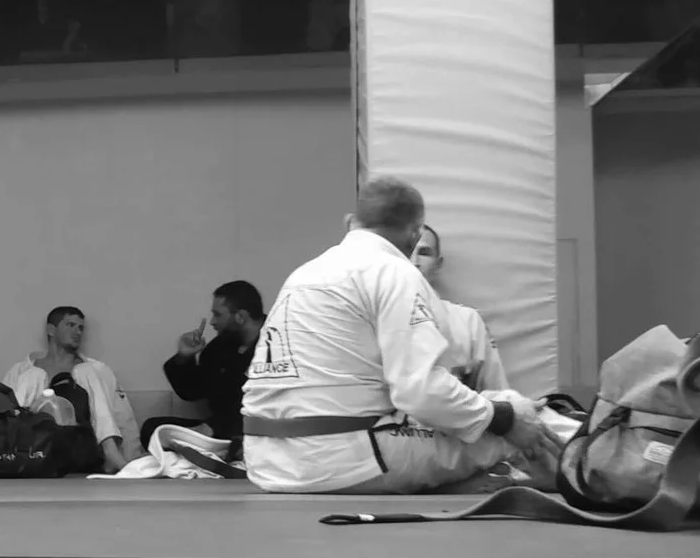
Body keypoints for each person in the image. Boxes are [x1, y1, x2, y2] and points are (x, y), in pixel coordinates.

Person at [242, 176, 564, 495]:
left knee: (474, 417)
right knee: (509, 412)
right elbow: (420, 393)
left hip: (266, 461)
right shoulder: (394, 272)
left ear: (351, 223)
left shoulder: (304, 273)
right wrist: (506, 418)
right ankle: (583, 470)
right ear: (415, 231)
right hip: (340, 463)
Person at [140, 280, 264, 452]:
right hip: (214, 433)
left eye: (218, 315)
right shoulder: (222, 345)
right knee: (153, 429)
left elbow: (266, 405)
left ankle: (219, 452)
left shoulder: (277, 345)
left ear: (240, 317)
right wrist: (184, 357)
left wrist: (215, 427)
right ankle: (211, 452)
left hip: (256, 431)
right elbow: (192, 391)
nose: (213, 322)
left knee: (246, 441)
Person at [4, 306, 128, 473]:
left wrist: (131, 456)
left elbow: (122, 416)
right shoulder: (22, 370)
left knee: (86, 371)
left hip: (81, 447)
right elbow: (1, 409)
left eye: (80, 328)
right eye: (70, 325)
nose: (77, 331)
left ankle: (110, 452)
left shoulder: (96, 370)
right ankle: (10, 452)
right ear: (51, 330)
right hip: (36, 449)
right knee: (34, 375)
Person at [409, 224, 508, 391]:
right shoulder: (373, 318)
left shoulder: (468, 321)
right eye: (406, 252)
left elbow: (496, 390)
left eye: (424, 253)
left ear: (438, 264)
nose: (414, 261)